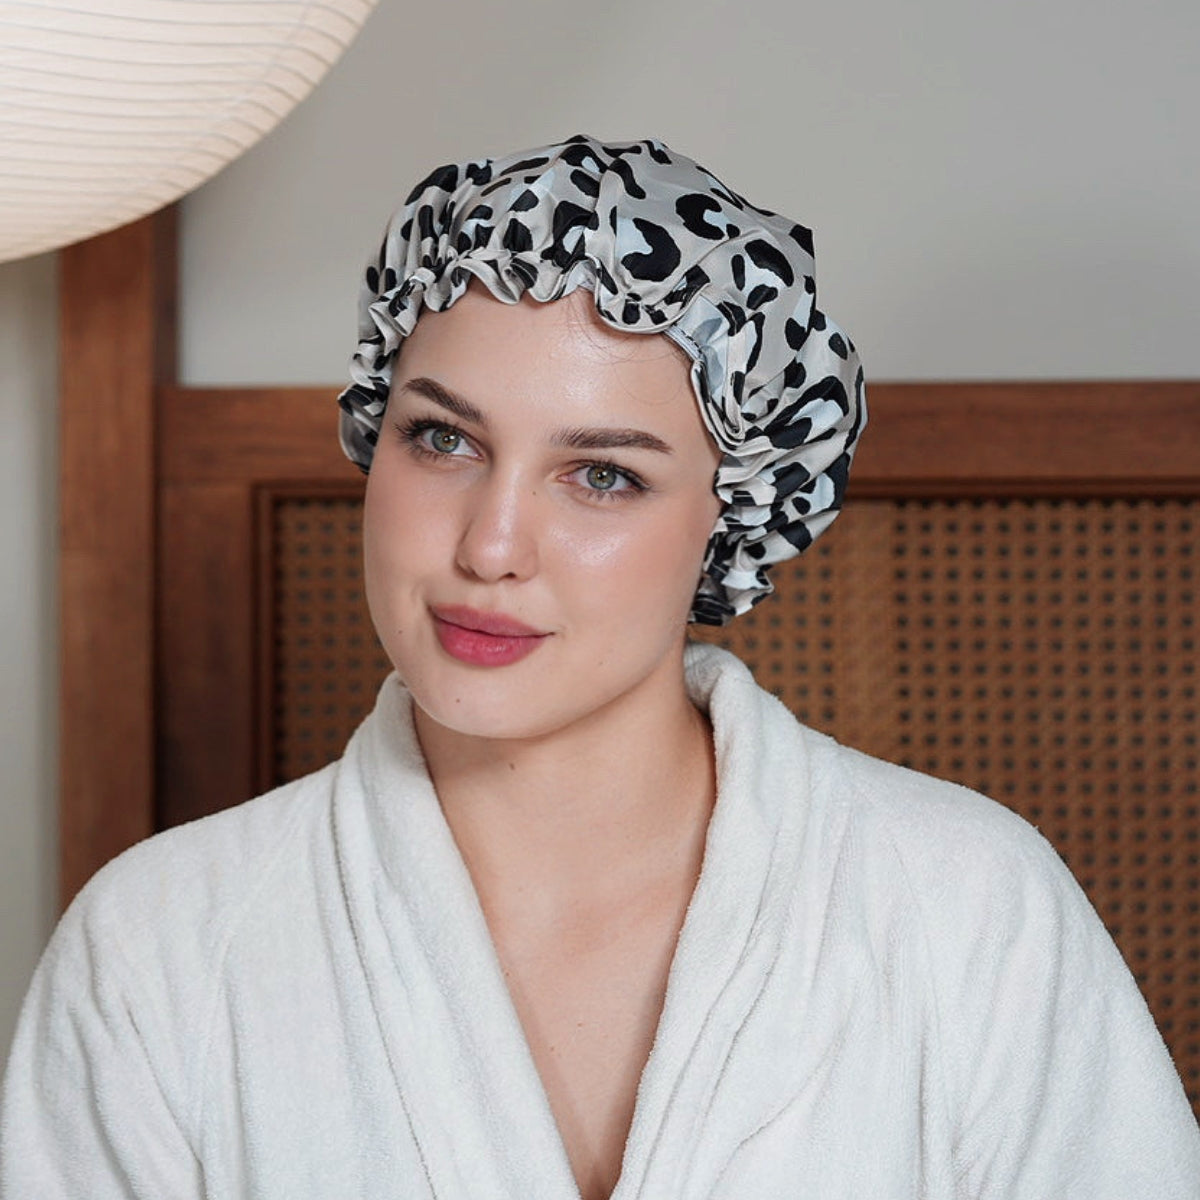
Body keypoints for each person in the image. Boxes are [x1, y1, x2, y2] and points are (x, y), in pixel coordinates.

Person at [2, 134, 1197, 1199]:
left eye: (604, 475)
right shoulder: (160, 948)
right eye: (443, 438)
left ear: (731, 516)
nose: (490, 546)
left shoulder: (966, 913)